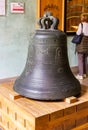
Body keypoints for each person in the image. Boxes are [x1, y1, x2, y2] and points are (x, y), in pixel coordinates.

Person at [76, 13, 88, 80]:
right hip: (87, 45)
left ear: (82, 18)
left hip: (81, 45)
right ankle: (85, 74)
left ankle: (80, 75)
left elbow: (78, 33)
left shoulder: (81, 25)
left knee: (80, 59)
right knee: (85, 59)